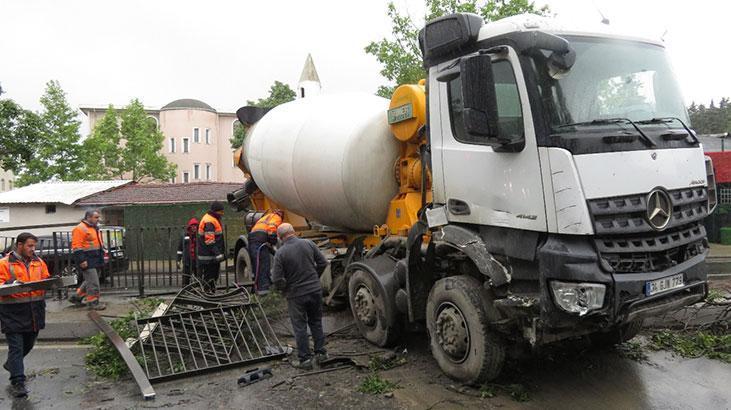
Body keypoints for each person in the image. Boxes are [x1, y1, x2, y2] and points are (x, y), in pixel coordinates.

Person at [271, 223, 328, 370]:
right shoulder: (308, 244)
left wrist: (285, 288)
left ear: (280, 237)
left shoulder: (281, 253)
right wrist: (315, 277)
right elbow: (323, 262)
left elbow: (276, 279)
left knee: (300, 327)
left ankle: (305, 360)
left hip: (296, 294)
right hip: (315, 290)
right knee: (316, 322)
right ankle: (321, 354)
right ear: (293, 231)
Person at [0, 233, 50, 398]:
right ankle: (18, 382)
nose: (33, 249)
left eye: (34, 246)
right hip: (12, 312)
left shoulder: (39, 262)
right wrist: (9, 284)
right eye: (29, 246)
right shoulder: (4, 264)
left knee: (29, 343)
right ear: (19, 245)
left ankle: (11, 365)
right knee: (16, 347)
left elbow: (46, 279)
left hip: (34, 310)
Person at [69, 210, 105, 310]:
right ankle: (93, 303)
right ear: (88, 217)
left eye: (98, 217)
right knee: (93, 282)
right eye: (96, 217)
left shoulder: (93, 228)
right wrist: (82, 260)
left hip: (95, 258)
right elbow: (77, 246)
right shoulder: (80, 228)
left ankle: (77, 297)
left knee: (91, 280)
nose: (98, 219)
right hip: (87, 259)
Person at [247, 210, 284, 295]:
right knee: (263, 265)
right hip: (260, 238)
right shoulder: (277, 217)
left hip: (253, 238)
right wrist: (273, 241)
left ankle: (258, 288)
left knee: (257, 265)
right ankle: (263, 292)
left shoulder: (267, 216)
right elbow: (271, 228)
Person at [197, 202, 225, 291]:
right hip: (209, 257)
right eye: (221, 211)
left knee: (211, 278)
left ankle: (210, 294)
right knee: (209, 278)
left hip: (209, 256)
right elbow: (209, 240)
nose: (222, 213)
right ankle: (208, 296)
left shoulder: (211, 219)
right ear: (216, 211)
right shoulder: (210, 221)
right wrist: (218, 253)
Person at [176, 218, 199, 287]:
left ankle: (198, 289)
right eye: (193, 226)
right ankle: (185, 290)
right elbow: (180, 249)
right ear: (190, 226)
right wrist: (178, 260)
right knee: (186, 277)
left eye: (195, 225)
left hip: (197, 260)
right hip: (187, 260)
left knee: (198, 277)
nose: (194, 227)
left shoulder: (199, 236)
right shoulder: (184, 236)